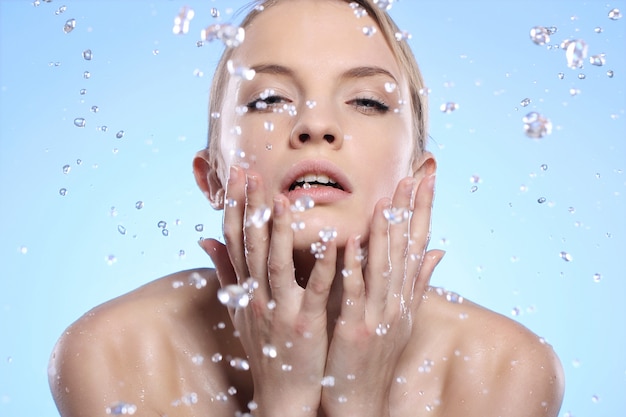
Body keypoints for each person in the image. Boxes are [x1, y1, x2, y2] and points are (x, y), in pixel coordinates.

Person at [48, 0, 564, 416]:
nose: (316, 125)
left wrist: (358, 402)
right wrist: (286, 400)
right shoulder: (115, 354)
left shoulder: (505, 370)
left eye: (368, 101)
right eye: (269, 99)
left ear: (420, 178)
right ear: (214, 178)